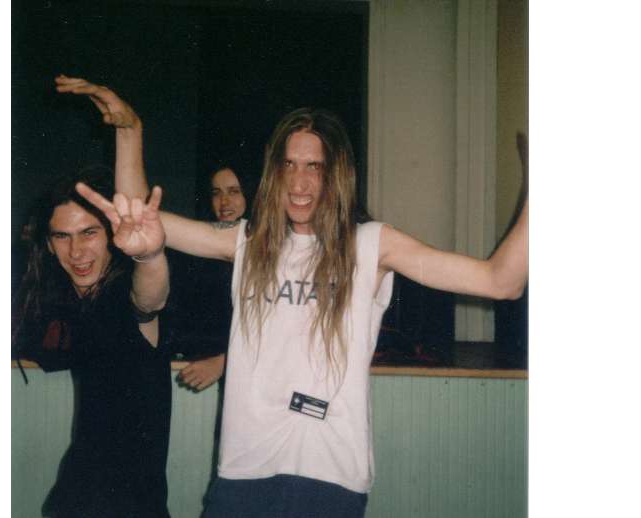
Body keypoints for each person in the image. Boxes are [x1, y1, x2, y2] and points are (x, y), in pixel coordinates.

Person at [77, 99, 528, 517]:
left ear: (338, 174)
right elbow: (142, 219)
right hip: (242, 473)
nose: (299, 182)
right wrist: (130, 133)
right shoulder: (248, 242)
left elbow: (501, 281)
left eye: (315, 166)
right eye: (289, 164)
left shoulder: (371, 244)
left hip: (329, 476)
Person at [12, 75, 172, 518]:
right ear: (48, 245)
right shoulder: (71, 301)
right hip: (73, 500)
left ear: (113, 237)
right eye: (62, 237)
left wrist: (129, 133)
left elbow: (150, 296)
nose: (77, 251)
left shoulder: (125, 297)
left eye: (89, 233)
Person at [173, 164, 249, 391]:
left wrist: (223, 362)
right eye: (216, 193)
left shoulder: (269, 248)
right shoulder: (201, 253)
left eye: (234, 191)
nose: (224, 202)